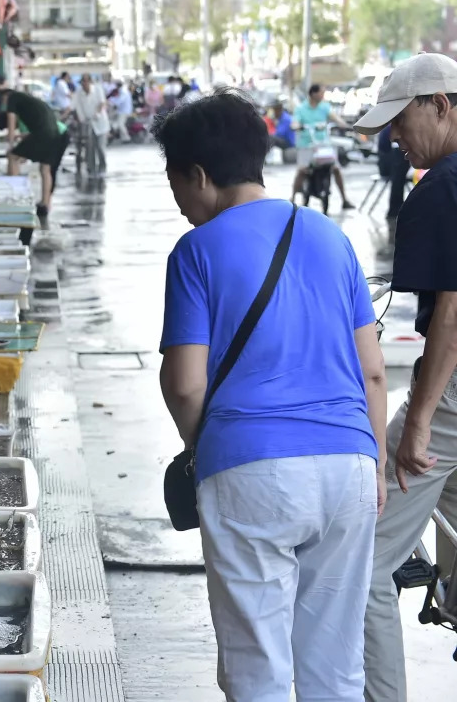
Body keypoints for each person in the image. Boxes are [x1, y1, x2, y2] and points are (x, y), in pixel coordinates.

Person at [155, 89, 387, 702]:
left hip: (249, 469)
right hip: (349, 467)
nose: (178, 202)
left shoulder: (196, 251)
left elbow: (183, 384)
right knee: (336, 666)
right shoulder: (333, 238)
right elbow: (374, 373)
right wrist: (378, 462)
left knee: (256, 666)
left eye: (176, 183)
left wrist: (207, 443)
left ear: (198, 175)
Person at [350, 52, 457, 702]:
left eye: (400, 120)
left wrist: (415, 421)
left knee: (363, 560)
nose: (394, 137)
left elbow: (452, 312)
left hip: (451, 399)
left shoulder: (443, 187)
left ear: (442, 103)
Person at [0, 74, 70, 217]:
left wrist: (10, 144)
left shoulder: (12, 98)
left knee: (12, 156)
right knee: (45, 168)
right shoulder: (29, 101)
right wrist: (19, 140)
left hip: (47, 133)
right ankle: (45, 204)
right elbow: (38, 128)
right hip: (56, 134)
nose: (5, 105)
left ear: (6, 97)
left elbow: (11, 122)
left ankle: (14, 197)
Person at [292, 84, 355, 209]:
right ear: (313, 94)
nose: (323, 95)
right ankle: (292, 198)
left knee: (336, 169)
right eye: (321, 93)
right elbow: (295, 122)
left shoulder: (324, 107)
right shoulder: (301, 108)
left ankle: (344, 199)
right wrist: (297, 126)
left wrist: (345, 125)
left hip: (323, 145)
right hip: (307, 145)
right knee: (302, 171)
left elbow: (335, 118)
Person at [71, 73, 109, 179]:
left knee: (100, 147)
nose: (84, 84)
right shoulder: (79, 93)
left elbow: (102, 103)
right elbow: (77, 106)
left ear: (90, 82)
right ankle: (91, 169)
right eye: (82, 82)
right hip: (88, 123)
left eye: (86, 81)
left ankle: (102, 168)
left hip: (100, 121)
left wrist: (97, 113)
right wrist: (81, 119)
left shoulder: (97, 89)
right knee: (90, 148)